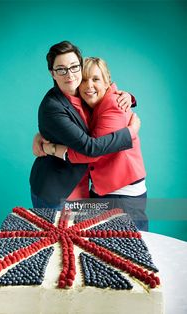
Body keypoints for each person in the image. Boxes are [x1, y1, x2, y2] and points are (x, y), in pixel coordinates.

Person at [30, 41, 140, 211]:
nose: (69, 75)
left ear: (80, 67)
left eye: (74, 67)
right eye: (61, 69)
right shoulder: (52, 107)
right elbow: (90, 148)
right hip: (56, 191)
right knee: (54, 237)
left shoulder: (83, 94)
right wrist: (130, 132)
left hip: (82, 190)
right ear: (52, 73)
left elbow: (106, 96)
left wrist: (129, 96)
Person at [42, 57, 148, 230]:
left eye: (96, 79)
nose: (89, 85)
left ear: (108, 82)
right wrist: (41, 135)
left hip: (121, 193)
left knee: (129, 250)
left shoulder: (114, 104)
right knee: (99, 248)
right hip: (104, 190)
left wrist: (51, 149)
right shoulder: (91, 105)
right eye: (84, 80)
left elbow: (92, 150)